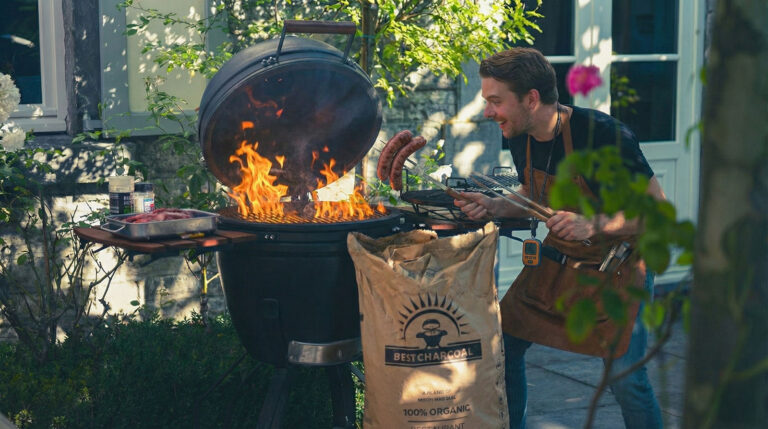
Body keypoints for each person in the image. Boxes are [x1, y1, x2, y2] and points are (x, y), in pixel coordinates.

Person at [454, 47, 666, 429]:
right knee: (503, 347)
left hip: (616, 267)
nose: (488, 112)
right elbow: (534, 193)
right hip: (559, 260)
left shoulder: (603, 135)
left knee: (626, 380)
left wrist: (594, 223)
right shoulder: (521, 133)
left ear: (531, 99)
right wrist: (493, 204)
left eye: (495, 101)